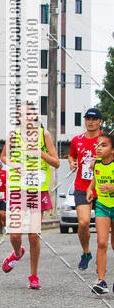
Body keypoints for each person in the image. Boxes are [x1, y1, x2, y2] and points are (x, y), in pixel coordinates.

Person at [1, 103, 60, 289]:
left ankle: (34, 276)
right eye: (22, 114)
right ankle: (17, 253)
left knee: (34, 235)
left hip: (37, 190)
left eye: (29, 113)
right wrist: (13, 165)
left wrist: (40, 153)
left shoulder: (44, 135)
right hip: (19, 189)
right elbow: (3, 156)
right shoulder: (13, 135)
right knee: (15, 235)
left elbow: (56, 162)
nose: (26, 117)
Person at [68, 107, 103, 270]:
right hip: (82, 186)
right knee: (83, 222)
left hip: (102, 187)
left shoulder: (106, 140)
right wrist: (71, 162)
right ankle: (86, 252)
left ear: (100, 122)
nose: (90, 122)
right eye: (88, 118)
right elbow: (72, 154)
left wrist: (101, 160)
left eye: (94, 119)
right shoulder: (77, 139)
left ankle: (101, 256)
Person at [86, 132, 114, 295]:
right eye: (97, 144)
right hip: (102, 206)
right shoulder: (96, 164)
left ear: (112, 150)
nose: (98, 148)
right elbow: (94, 182)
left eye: (104, 145)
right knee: (102, 242)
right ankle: (101, 281)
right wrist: (90, 190)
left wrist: (112, 188)